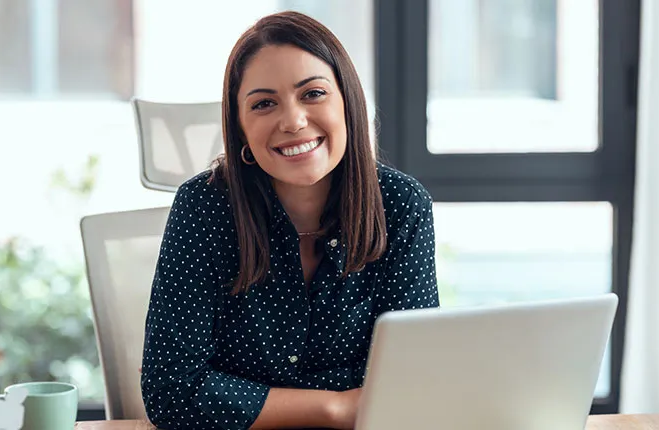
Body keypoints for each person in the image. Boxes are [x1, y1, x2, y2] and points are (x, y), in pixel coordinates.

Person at [140, 10, 439, 430]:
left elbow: (414, 378)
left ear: (347, 103)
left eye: (313, 93)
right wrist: (334, 406)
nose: (293, 121)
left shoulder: (400, 206)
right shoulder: (204, 207)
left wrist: (241, 396)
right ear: (241, 129)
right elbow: (172, 392)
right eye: (264, 104)